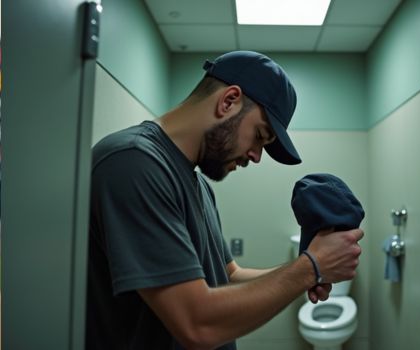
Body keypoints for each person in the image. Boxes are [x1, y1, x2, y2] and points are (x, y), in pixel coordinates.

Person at [85, 51, 363, 350]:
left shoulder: (199, 185)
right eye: (260, 135)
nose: (256, 156)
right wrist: (310, 267)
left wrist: (309, 271)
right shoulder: (133, 163)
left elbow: (229, 276)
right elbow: (196, 324)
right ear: (228, 101)